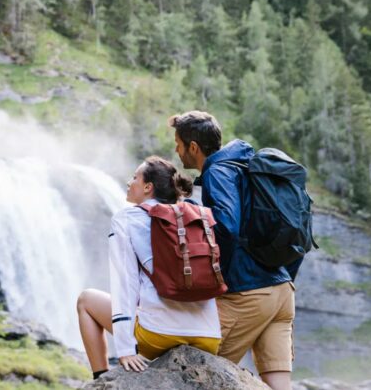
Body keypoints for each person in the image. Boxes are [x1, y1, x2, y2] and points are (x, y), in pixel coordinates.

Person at [168, 110, 302, 390]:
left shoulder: (217, 172)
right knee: (279, 385)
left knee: (196, 374)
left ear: (194, 147)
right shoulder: (243, 166)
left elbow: (227, 227)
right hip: (281, 292)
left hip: (247, 293)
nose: (177, 151)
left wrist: (218, 281)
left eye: (179, 144)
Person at [76, 156, 221, 380]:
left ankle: (100, 378)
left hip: (158, 335)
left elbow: (126, 282)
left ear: (148, 187)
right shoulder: (195, 214)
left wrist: (126, 349)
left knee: (86, 300)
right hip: (208, 336)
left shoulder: (127, 218)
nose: (129, 182)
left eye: (135, 177)